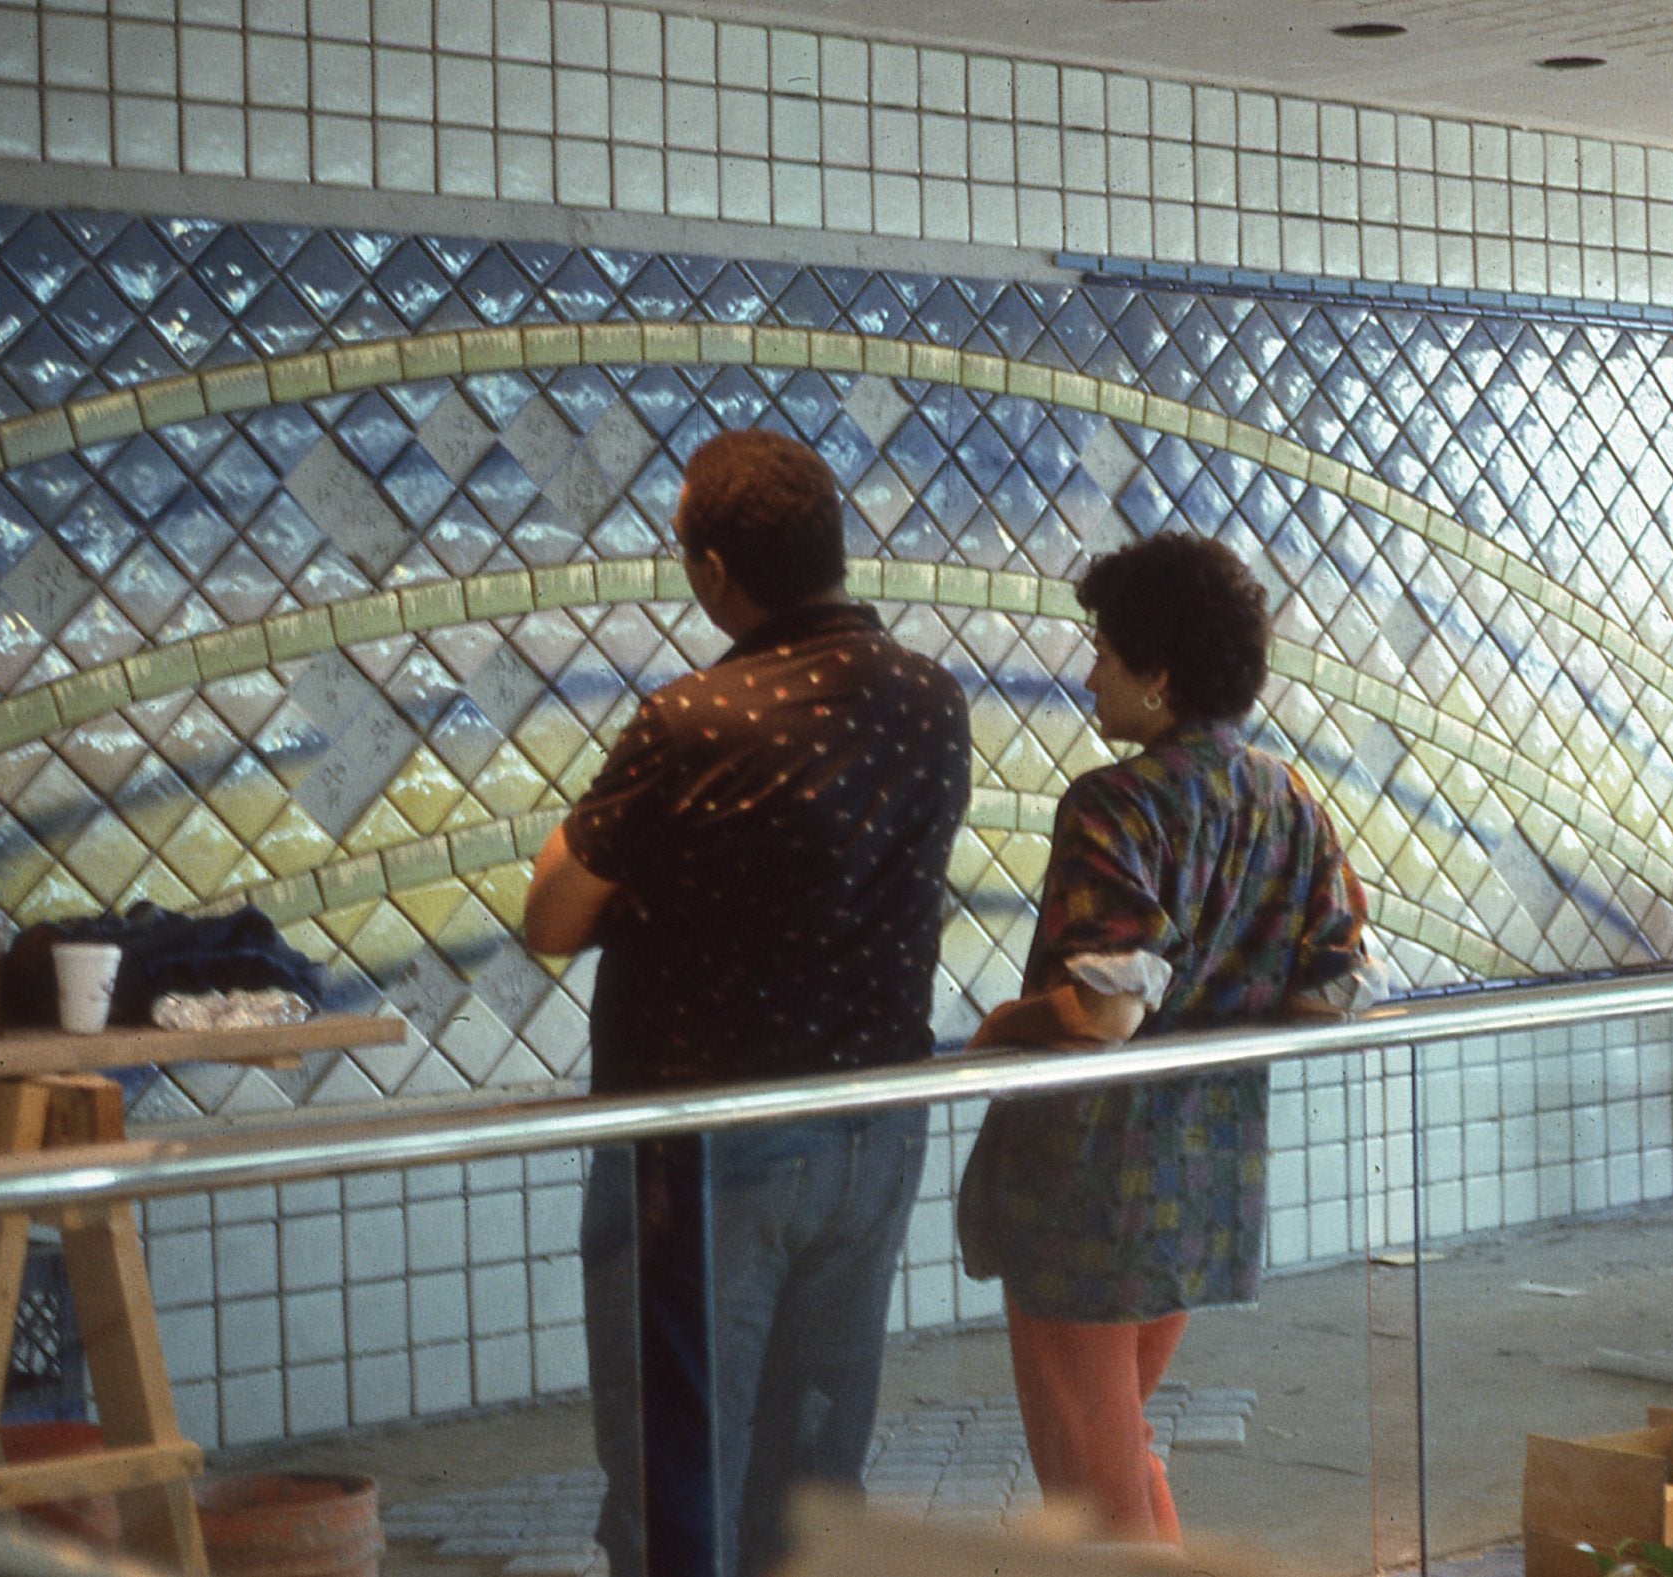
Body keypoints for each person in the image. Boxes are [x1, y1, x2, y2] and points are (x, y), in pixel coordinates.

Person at [521, 430, 970, 1576]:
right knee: (814, 1480)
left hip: (707, 1153)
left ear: (714, 569)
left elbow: (552, 917)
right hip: (875, 1134)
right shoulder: (931, 701)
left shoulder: (690, 719)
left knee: (679, 1480)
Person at [956, 532, 1384, 1544]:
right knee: (1124, 1452)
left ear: (1157, 674)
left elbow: (1105, 1009)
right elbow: (1335, 986)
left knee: (1092, 1499)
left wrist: (1002, 1023)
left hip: (1087, 1190)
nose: (1089, 672)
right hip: (1208, 1177)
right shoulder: (1288, 799)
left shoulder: (1114, 802)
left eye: (1104, 650)